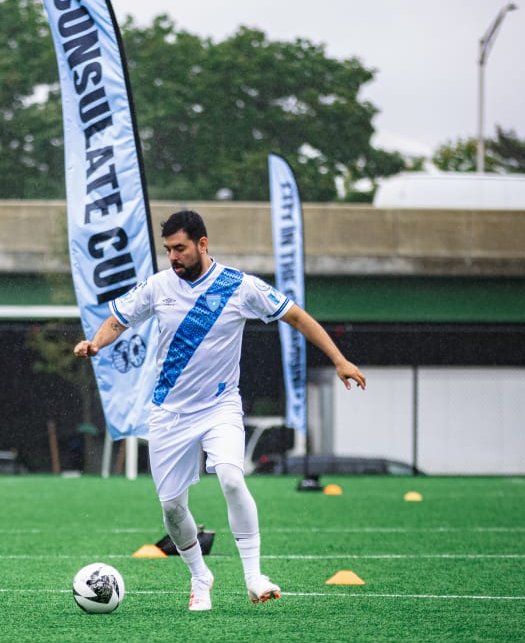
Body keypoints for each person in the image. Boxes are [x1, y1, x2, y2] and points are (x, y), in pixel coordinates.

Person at [74, 210, 366, 611]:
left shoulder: (239, 286)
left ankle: (253, 576)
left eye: (180, 248)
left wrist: (339, 359)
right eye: (168, 250)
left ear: (202, 244)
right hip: (168, 413)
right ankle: (200, 576)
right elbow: (118, 320)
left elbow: (296, 316)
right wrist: (95, 343)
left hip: (220, 406)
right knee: (172, 509)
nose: (173, 257)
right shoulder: (159, 286)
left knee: (231, 478)